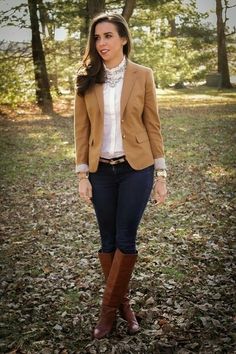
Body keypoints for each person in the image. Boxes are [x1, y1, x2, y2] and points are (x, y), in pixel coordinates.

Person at [74, 12, 167, 339]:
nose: (102, 43)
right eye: (97, 38)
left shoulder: (143, 75)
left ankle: (107, 313)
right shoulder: (87, 78)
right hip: (101, 172)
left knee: (125, 240)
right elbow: (81, 129)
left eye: (108, 36)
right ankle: (123, 305)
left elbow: (152, 124)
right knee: (108, 241)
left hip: (136, 170)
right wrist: (82, 175)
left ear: (124, 39)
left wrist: (161, 173)